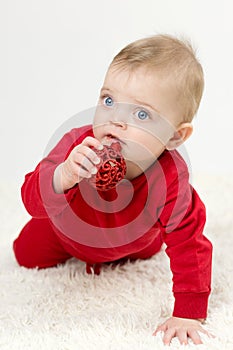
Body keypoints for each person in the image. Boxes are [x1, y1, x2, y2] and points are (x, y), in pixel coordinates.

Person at [13, 34, 213, 346]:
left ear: (175, 137)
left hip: (137, 242)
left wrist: (188, 312)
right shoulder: (78, 145)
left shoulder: (170, 178)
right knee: (24, 254)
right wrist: (62, 175)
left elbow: (191, 243)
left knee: (153, 246)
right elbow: (30, 199)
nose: (115, 119)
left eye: (141, 114)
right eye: (109, 101)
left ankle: (141, 243)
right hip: (65, 234)